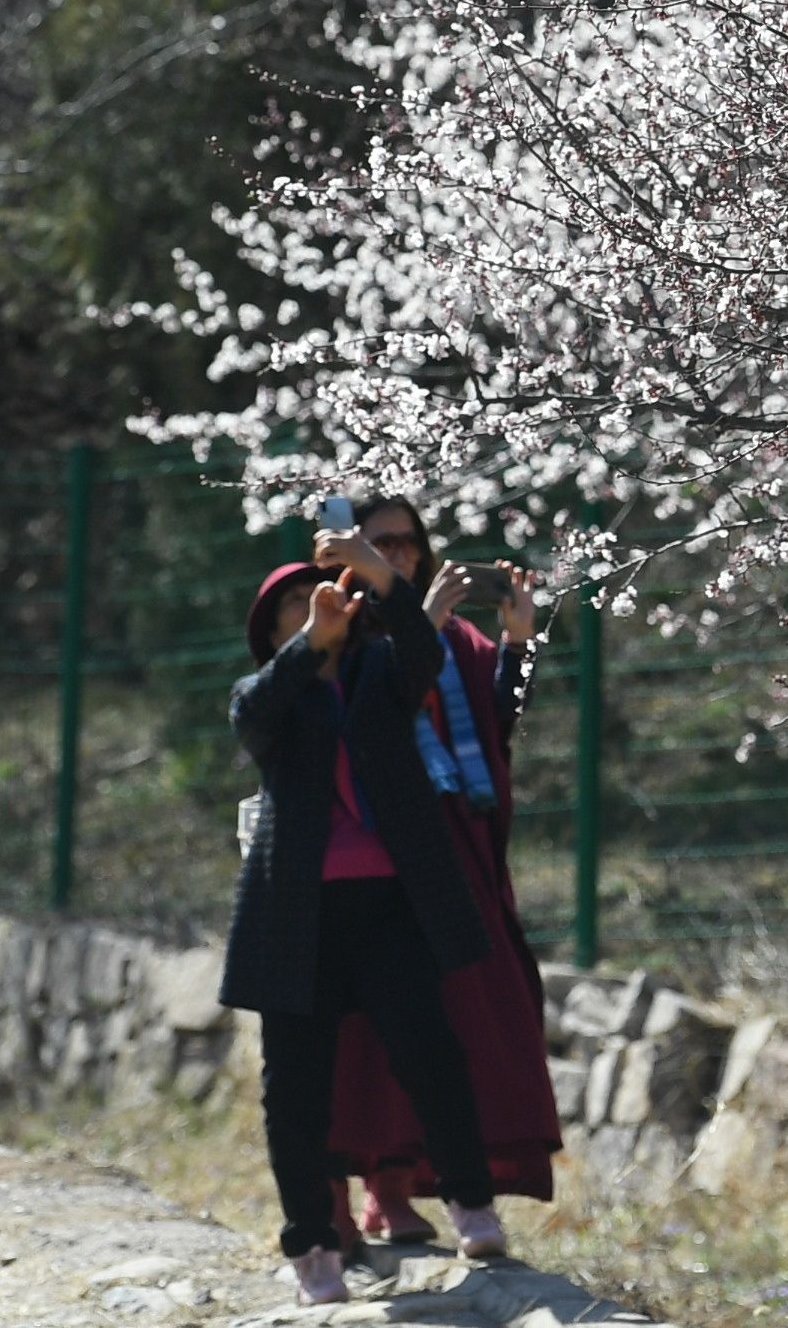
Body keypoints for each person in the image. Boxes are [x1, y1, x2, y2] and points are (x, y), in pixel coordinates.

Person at [221, 516, 508, 1308]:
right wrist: (308, 644)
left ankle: (470, 1204)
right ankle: (311, 1244)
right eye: (295, 606)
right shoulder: (266, 696)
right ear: (272, 631)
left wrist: (376, 569)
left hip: (389, 903)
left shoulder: (382, 673)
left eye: (327, 598)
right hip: (297, 914)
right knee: (296, 1091)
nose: (320, 607)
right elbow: (254, 715)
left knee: (431, 1053)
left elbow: (425, 650)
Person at [326, 497, 563, 1253]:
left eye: (409, 540)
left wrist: (518, 642)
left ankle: (449, 1180)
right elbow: (379, 703)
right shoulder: (342, 627)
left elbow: (499, 719)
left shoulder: (455, 635)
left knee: (470, 1013)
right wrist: (411, 616)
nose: (399, 552)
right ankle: (383, 1188)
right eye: (381, 541)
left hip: (460, 846)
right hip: (379, 852)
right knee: (378, 1025)